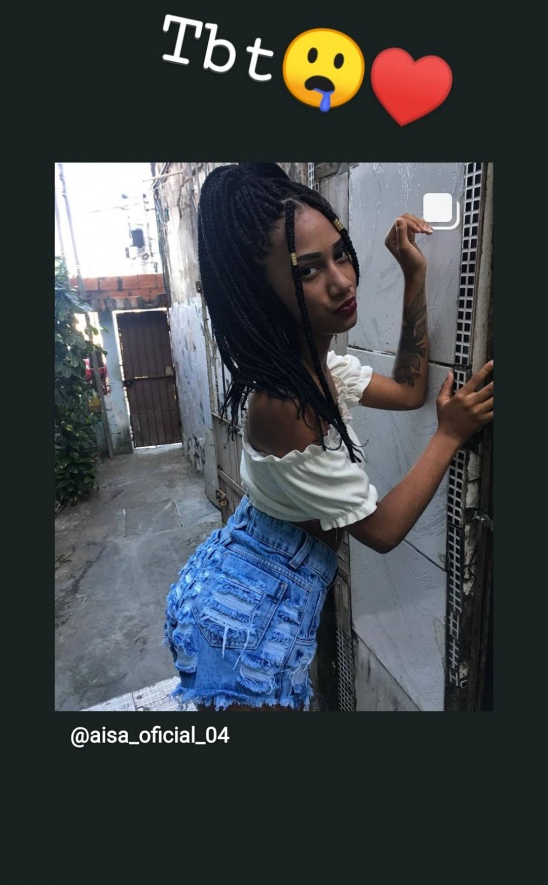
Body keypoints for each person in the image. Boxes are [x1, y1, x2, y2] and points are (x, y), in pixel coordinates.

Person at [163, 162, 494, 712]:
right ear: (261, 291)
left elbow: (408, 390)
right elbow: (382, 531)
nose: (341, 281)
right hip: (243, 622)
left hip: (263, 590)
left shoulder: (318, 372)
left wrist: (413, 275)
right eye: (310, 270)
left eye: (341, 254)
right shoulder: (284, 404)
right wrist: (450, 434)